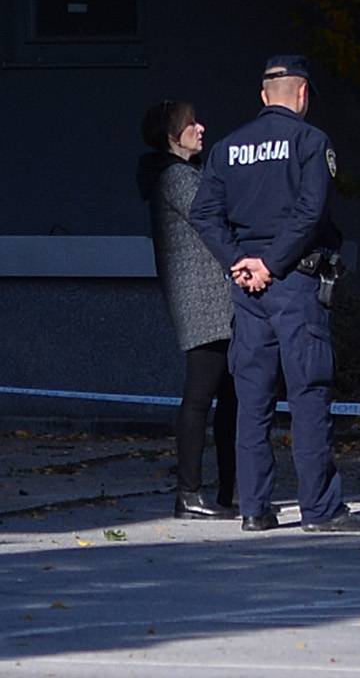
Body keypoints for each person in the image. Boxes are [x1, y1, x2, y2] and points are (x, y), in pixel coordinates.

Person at [191, 52, 360, 533]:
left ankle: (254, 508)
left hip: (246, 286)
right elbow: (312, 213)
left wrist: (239, 261)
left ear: (264, 96)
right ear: (304, 95)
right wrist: (272, 263)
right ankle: (319, 509)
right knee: (309, 391)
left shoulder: (228, 148)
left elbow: (204, 214)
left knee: (252, 398)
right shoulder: (311, 142)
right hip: (294, 281)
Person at [136, 100, 237, 519]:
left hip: (209, 299)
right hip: (205, 301)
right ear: (170, 135)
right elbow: (216, 217)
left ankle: (227, 490)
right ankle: (190, 493)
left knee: (228, 397)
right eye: (189, 124)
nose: (200, 127)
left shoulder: (178, 175)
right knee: (201, 396)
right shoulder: (177, 178)